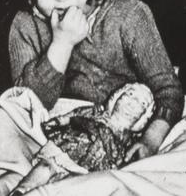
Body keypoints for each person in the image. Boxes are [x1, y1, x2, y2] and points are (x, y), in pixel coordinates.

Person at [7, 0, 183, 161]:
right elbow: (25, 106)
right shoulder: (25, 25)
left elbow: (168, 90)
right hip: (55, 132)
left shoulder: (130, 15)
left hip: (121, 130)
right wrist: (61, 45)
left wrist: (150, 141)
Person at [10, 83, 155, 195]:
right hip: (67, 148)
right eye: (130, 95)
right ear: (118, 95)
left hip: (90, 168)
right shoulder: (96, 112)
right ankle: (22, 190)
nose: (133, 103)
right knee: (44, 169)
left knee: (67, 187)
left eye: (142, 104)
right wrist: (59, 121)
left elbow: (123, 162)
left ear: (144, 117)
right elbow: (74, 116)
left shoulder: (127, 140)